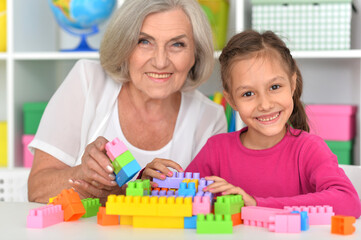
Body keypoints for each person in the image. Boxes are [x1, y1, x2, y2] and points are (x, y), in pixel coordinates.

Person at [27, 0, 227, 204]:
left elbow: (206, 204)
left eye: (177, 44)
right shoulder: (88, 81)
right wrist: (83, 174)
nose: (160, 61)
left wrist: (139, 190)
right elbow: (36, 190)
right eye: (144, 41)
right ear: (124, 47)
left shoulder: (210, 117)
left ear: (196, 54)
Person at [155, 30, 361, 217]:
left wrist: (255, 204)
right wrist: (152, 182)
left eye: (275, 86)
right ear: (232, 101)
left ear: (292, 84)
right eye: (248, 94)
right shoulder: (216, 150)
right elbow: (177, 201)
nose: (264, 104)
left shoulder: (308, 149)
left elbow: (349, 203)